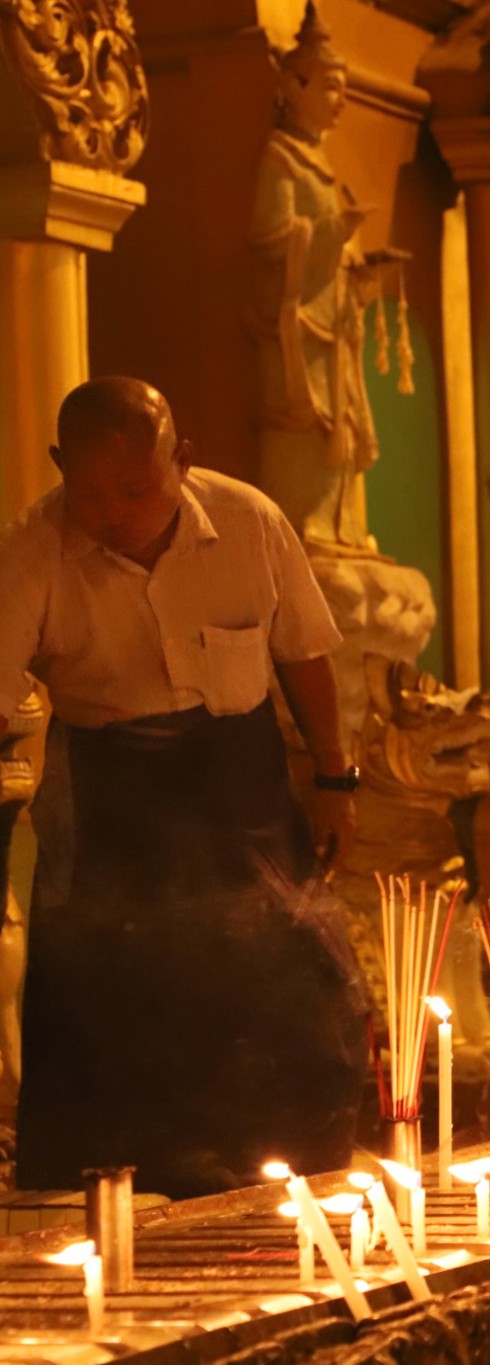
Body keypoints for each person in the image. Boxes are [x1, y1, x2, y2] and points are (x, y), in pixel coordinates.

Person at [0, 377, 367, 1197]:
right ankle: (137, 1196)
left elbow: (304, 652)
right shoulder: (31, 551)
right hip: (111, 790)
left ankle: (294, 1174)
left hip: (240, 776)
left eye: (136, 488)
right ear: (60, 467)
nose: (113, 512)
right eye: (90, 492)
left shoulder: (248, 520)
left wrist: (336, 777)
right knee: (121, 995)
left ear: (183, 460)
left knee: (305, 976)